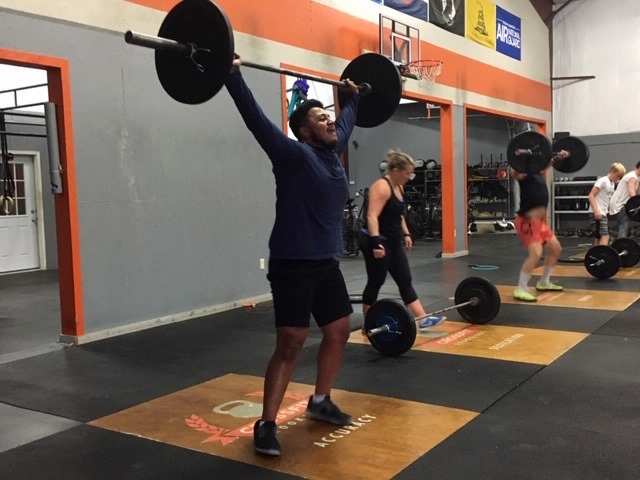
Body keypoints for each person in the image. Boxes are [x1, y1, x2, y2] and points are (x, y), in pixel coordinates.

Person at [225, 56, 360, 457]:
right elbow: (257, 122)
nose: (330, 122)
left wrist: (353, 97)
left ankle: (320, 401)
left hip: (326, 263)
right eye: (321, 118)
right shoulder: (293, 155)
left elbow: (348, 119)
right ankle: (266, 423)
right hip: (293, 264)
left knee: (339, 330)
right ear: (304, 131)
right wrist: (232, 76)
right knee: (291, 341)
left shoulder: (333, 153)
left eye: (329, 116)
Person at [358, 150, 445, 330]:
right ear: (396, 170)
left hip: (392, 241)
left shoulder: (399, 187)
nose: (409, 178)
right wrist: (376, 243)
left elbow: (399, 214)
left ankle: (423, 319)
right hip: (376, 240)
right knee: (376, 281)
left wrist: (406, 234)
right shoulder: (381, 187)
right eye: (407, 174)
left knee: (404, 279)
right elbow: (372, 216)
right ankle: (368, 322)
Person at [511, 148, 571, 302]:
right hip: (526, 221)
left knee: (555, 249)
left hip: (539, 222)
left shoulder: (537, 171)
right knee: (536, 253)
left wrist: (560, 156)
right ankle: (521, 289)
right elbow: (515, 173)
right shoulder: (524, 173)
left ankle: (544, 282)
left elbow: (548, 162)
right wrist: (519, 157)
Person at [587, 163, 626, 246]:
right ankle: (602, 253)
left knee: (598, 237)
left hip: (603, 213)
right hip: (596, 212)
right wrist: (596, 211)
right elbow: (591, 195)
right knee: (605, 236)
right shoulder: (603, 181)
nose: (618, 178)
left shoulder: (611, 184)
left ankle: (597, 254)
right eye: (618, 176)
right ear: (613, 171)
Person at [608, 160, 640, 240]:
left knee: (623, 224)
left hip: (623, 203)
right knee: (623, 224)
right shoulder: (632, 177)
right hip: (619, 204)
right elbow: (631, 192)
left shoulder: (637, 178)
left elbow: (637, 193)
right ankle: (621, 243)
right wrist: (636, 204)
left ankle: (618, 240)